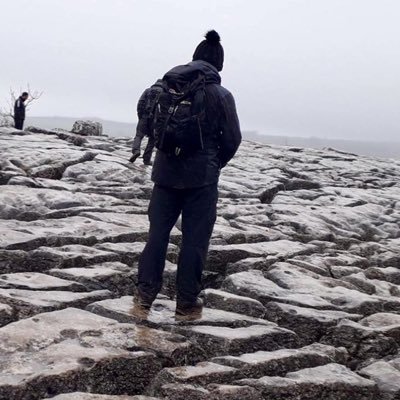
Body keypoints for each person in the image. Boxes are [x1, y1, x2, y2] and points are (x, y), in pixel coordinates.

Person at [135, 30, 242, 316]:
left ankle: (144, 294)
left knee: (157, 235)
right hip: (201, 180)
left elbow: (153, 125)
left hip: (165, 174)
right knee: (195, 241)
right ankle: (185, 303)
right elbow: (232, 139)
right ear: (218, 64)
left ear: (194, 57)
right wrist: (214, 163)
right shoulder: (220, 95)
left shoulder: (167, 87)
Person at [130, 80, 163, 166]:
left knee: (138, 136)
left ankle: (136, 151)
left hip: (144, 117)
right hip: (155, 120)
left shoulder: (148, 90)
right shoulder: (164, 93)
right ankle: (146, 159)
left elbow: (140, 103)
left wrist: (140, 116)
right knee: (152, 139)